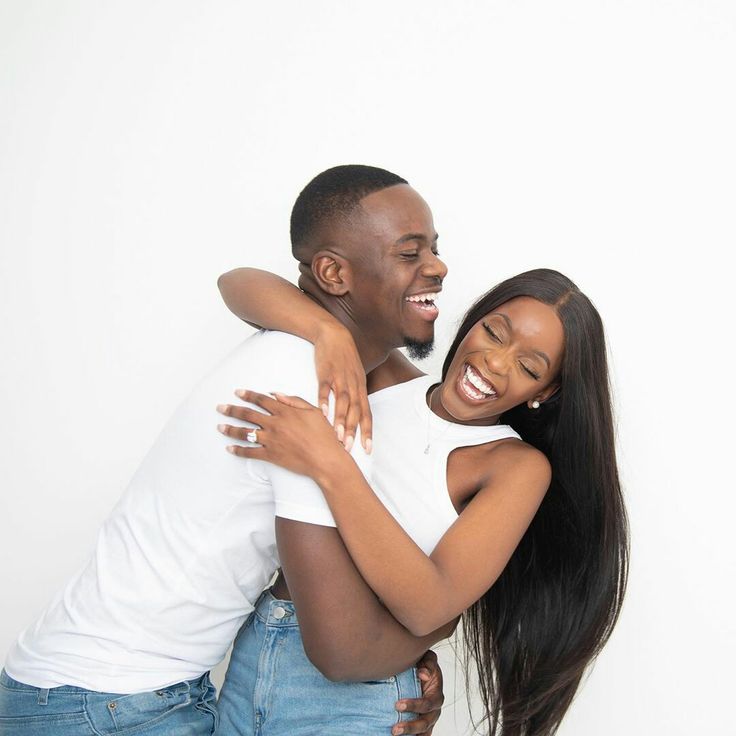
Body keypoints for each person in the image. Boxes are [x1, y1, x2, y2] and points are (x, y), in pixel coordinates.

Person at [0, 165, 451, 736]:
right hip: (110, 704)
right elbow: (339, 650)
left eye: (434, 248)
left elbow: (242, 282)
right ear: (333, 273)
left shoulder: (301, 353)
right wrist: (433, 629)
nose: (436, 267)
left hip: (88, 690)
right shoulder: (316, 392)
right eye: (409, 253)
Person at [216, 266, 630, 736]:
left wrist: (329, 465)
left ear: (546, 391)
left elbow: (429, 606)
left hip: (357, 698)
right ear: (473, 320)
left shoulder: (513, 465)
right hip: (255, 650)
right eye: (495, 333)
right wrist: (328, 330)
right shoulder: (383, 376)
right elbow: (237, 284)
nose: (496, 364)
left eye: (529, 367)